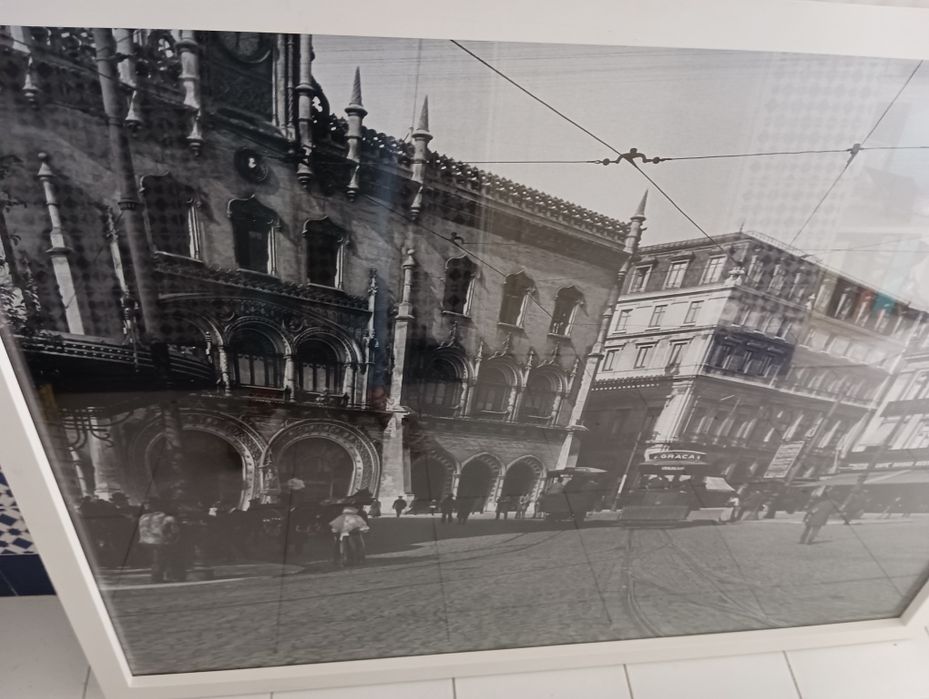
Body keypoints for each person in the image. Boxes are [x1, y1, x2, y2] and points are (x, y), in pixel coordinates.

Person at [138, 500, 184, 583]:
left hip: (144, 541)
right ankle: (159, 577)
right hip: (158, 542)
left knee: (156, 559)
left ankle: (158, 576)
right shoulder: (167, 517)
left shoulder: (143, 516)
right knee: (163, 557)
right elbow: (175, 531)